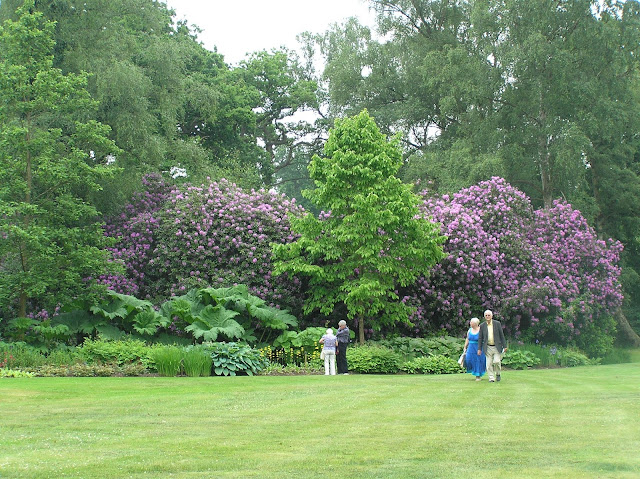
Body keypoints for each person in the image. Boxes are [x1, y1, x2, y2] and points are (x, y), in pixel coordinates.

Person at [477, 309, 508, 382]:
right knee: (488, 363)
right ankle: (491, 378)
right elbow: (480, 338)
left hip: (497, 346)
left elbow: (501, 335)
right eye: (486, 315)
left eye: (489, 315)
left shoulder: (497, 324)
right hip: (487, 347)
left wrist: (505, 346)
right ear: (484, 317)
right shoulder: (482, 325)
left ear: (492, 316)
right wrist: (479, 349)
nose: (487, 317)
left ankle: (498, 373)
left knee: (497, 361)